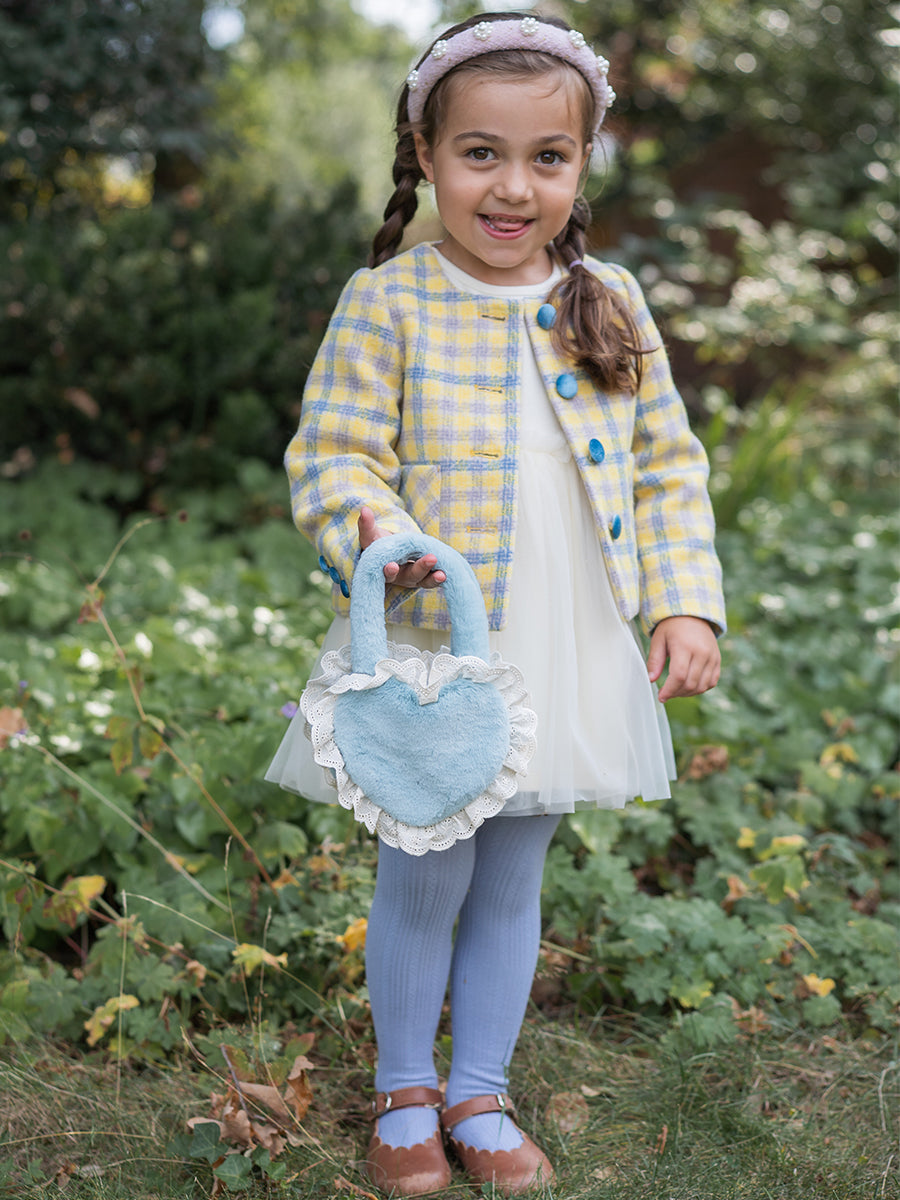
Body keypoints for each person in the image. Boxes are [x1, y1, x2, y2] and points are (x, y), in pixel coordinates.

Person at [266, 10, 726, 1195]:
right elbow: (333, 454)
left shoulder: (608, 298)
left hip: (567, 637)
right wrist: (374, 532)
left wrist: (685, 603)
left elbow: (667, 465)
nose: (515, 186)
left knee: (515, 871)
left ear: (582, 163)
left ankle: (479, 1090)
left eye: (547, 157)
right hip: (439, 640)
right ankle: (403, 1092)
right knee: (426, 871)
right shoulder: (390, 301)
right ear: (426, 153)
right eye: (481, 153)